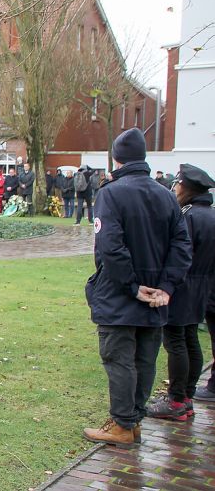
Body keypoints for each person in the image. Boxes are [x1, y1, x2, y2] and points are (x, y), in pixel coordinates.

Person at [82, 128, 192, 448]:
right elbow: (181, 246)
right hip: (154, 295)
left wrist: (132, 286)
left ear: (117, 157)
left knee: (119, 358)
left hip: (121, 292)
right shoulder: (165, 195)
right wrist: (166, 287)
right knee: (144, 358)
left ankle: (122, 423)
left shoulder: (111, 193)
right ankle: (133, 420)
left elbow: (111, 247)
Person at [147, 164, 215, 417]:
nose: (175, 189)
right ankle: (186, 396)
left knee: (176, 341)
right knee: (190, 340)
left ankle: (176, 400)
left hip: (183, 285)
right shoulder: (210, 214)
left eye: (178, 185)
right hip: (203, 287)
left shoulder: (188, 216)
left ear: (187, 188)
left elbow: (177, 252)